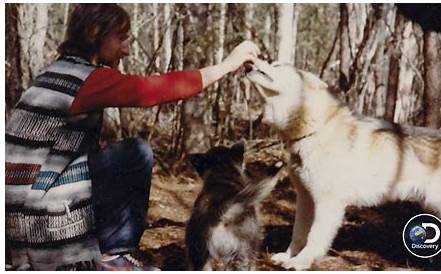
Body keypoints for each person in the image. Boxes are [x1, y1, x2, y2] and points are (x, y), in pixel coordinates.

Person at [5, 4, 260, 271]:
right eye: (121, 37)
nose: (126, 49)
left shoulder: (54, 73)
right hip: (37, 218)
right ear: (96, 34)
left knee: (109, 153)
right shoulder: (87, 78)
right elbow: (154, 90)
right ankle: (113, 257)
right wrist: (227, 65)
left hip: (16, 214)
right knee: (135, 153)